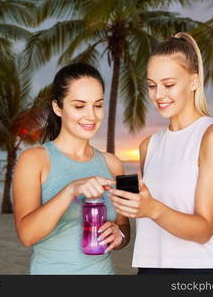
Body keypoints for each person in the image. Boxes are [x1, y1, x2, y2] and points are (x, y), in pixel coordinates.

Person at [109, 32, 213, 275]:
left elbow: (204, 230)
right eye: (152, 86)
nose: (158, 95)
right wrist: (122, 223)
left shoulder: (212, 136)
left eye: (169, 85)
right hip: (150, 271)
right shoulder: (149, 146)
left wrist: (151, 208)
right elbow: (150, 220)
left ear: (194, 82)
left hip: (201, 273)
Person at [12, 62, 130, 275]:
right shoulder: (33, 160)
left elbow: (124, 225)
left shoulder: (113, 164)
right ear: (58, 107)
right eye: (79, 106)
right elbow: (26, 236)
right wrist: (70, 191)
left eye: (98, 105)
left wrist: (119, 235)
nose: (91, 116)